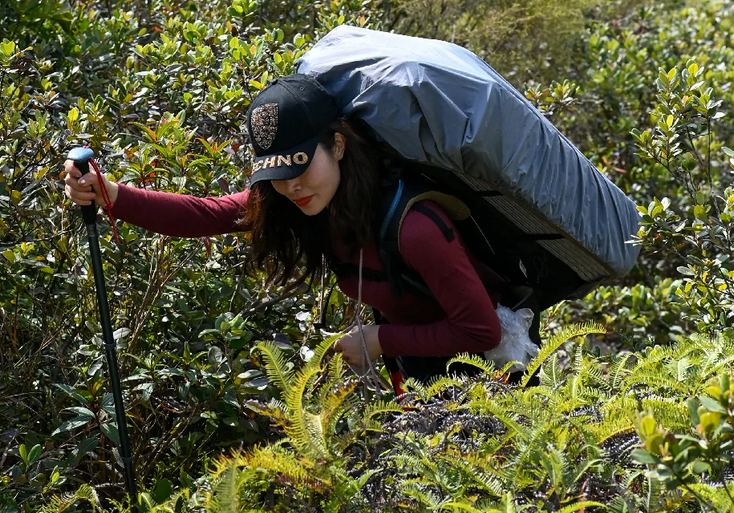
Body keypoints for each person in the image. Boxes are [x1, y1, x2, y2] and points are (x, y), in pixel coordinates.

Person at [64, 73, 503, 385]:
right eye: (277, 172)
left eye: (300, 165)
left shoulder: (417, 228)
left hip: (496, 374)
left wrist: (377, 339)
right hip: (421, 373)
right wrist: (111, 194)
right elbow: (204, 214)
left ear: (338, 144)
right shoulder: (300, 201)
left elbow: (482, 331)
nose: (291, 186)